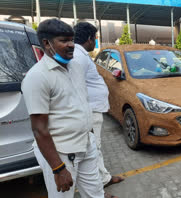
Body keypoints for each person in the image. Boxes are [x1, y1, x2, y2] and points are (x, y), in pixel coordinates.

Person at [21, 19, 114, 198]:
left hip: (86, 144)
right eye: (64, 40)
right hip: (62, 154)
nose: (71, 45)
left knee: (96, 194)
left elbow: (81, 102)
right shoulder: (37, 77)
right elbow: (39, 129)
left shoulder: (75, 66)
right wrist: (58, 168)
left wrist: (91, 137)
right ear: (47, 43)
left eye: (72, 40)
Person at [73, 22, 124, 188]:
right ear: (88, 39)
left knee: (96, 148)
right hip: (90, 111)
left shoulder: (80, 54)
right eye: (94, 38)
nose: (95, 42)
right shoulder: (79, 57)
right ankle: (97, 188)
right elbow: (75, 86)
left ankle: (104, 179)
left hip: (93, 109)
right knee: (92, 150)